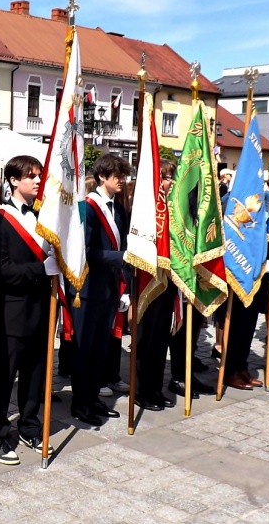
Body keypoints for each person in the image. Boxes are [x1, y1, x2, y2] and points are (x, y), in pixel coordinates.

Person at [0, 156, 58, 464]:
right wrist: (41, 269)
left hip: (42, 307)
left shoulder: (44, 217)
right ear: (13, 181)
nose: (38, 181)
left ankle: (29, 426)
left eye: (39, 175)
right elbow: (1, 270)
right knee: (3, 377)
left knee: (35, 375)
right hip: (10, 312)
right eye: (31, 176)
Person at [69, 153, 131, 426]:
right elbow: (85, 251)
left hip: (108, 289)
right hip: (87, 289)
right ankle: (80, 403)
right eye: (117, 176)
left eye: (124, 176)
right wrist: (121, 257)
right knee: (84, 349)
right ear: (102, 177)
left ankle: (93, 397)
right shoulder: (88, 207)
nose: (122, 181)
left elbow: (121, 244)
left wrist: (124, 285)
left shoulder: (118, 208)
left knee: (100, 349)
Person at [135, 160, 181, 410]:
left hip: (168, 281)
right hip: (149, 282)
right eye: (166, 178)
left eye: (172, 177)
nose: (170, 182)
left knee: (161, 341)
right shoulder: (145, 208)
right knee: (147, 340)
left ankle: (155, 388)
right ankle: (142, 391)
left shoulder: (175, 208)